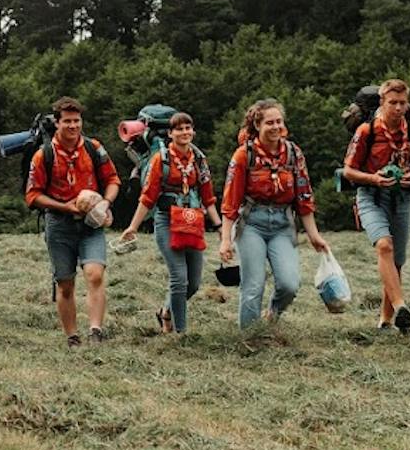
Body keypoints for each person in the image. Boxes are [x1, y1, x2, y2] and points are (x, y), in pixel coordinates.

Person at [218, 99, 330, 329]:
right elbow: (231, 200)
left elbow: (304, 197)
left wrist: (314, 235)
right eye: (269, 122)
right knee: (253, 285)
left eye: (279, 121)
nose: (276, 127)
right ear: (257, 125)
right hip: (251, 224)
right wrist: (225, 240)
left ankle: (272, 315)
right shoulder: (243, 156)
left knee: (290, 284)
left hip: (282, 224)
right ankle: (250, 337)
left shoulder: (293, 154)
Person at [24, 96, 121, 346]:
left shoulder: (93, 148)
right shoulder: (43, 155)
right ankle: (72, 337)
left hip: (91, 223)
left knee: (95, 274)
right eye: (67, 121)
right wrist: (63, 206)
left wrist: (105, 204)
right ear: (57, 123)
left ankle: (96, 331)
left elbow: (113, 179)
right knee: (65, 284)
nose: (73, 126)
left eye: (76, 121)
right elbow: (32, 195)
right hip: (59, 224)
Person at [343, 79, 410, 333]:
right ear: (382, 102)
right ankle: (401, 305)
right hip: (370, 194)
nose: (398, 108)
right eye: (393, 103)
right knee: (384, 245)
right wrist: (374, 179)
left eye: (402, 103)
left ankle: (385, 320)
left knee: (398, 262)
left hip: (402, 197)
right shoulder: (366, 131)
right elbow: (348, 171)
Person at [119, 112, 220, 335]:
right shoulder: (161, 160)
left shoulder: (199, 159)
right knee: (179, 278)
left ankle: (166, 311)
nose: (185, 133)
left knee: (193, 283)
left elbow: (208, 196)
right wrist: (133, 227)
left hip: (192, 221)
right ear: (171, 133)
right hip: (166, 221)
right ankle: (180, 333)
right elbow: (148, 197)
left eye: (188, 128)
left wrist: (220, 227)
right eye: (179, 129)